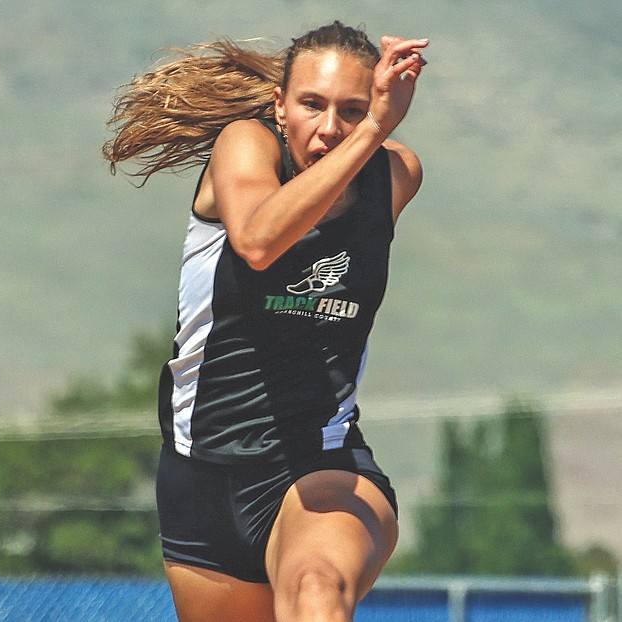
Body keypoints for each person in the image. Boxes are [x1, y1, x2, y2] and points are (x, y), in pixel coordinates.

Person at [104, 21, 428, 622]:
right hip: (201, 476)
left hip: (321, 466)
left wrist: (379, 134)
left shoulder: (394, 174)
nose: (330, 128)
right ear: (279, 106)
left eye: (354, 111)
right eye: (312, 105)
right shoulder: (245, 145)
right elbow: (257, 240)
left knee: (316, 591)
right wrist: (372, 129)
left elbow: (350, 180)